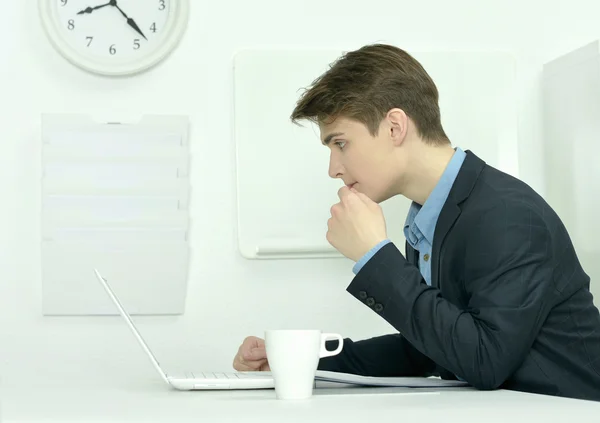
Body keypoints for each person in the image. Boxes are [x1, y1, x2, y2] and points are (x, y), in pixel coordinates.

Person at [232, 43, 600, 401]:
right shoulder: (431, 216)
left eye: (340, 143)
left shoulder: (508, 215)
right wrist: (303, 363)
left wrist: (375, 257)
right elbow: (432, 347)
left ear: (394, 127)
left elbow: (485, 360)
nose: (334, 169)